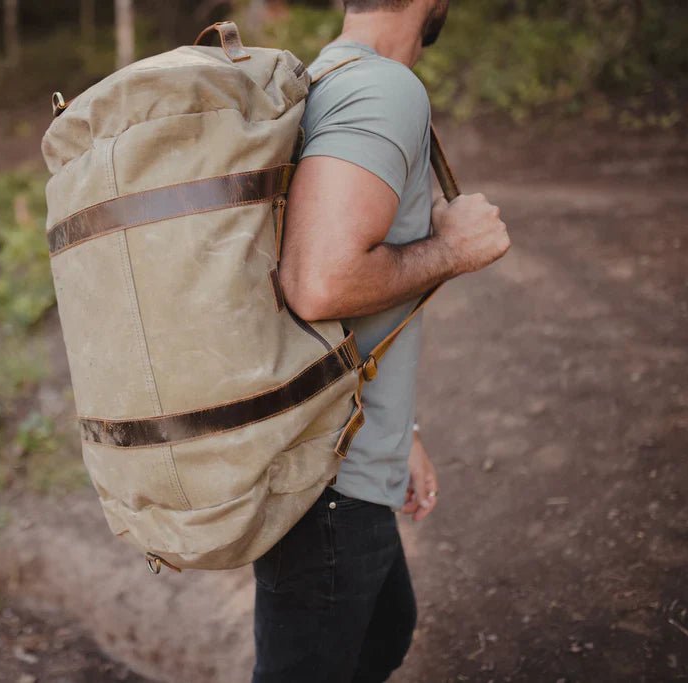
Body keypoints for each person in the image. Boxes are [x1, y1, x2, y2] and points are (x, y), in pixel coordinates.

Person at [251, 1, 511, 681]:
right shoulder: (384, 88)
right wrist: (452, 249)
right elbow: (317, 283)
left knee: (386, 629)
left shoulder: (322, 76)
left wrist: (404, 430)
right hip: (329, 486)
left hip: (338, 454)